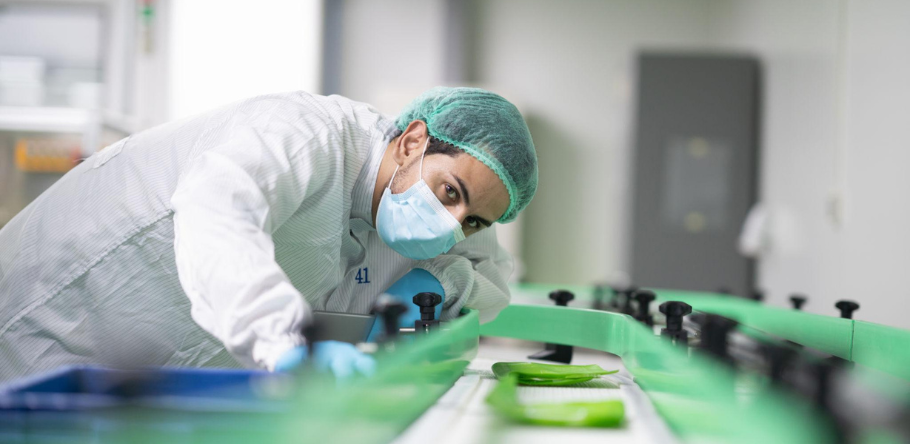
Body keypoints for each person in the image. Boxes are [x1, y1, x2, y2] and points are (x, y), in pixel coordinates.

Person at [0, 87, 538, 382]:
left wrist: (436, 281)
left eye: (473, 220)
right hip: (46, 324)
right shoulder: (308, 136)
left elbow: (494, 278)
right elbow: (217, 216)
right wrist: (287, 342)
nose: (453, 225)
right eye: (450, 192)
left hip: (148, 377)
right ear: (413, 140)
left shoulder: (424, 209)